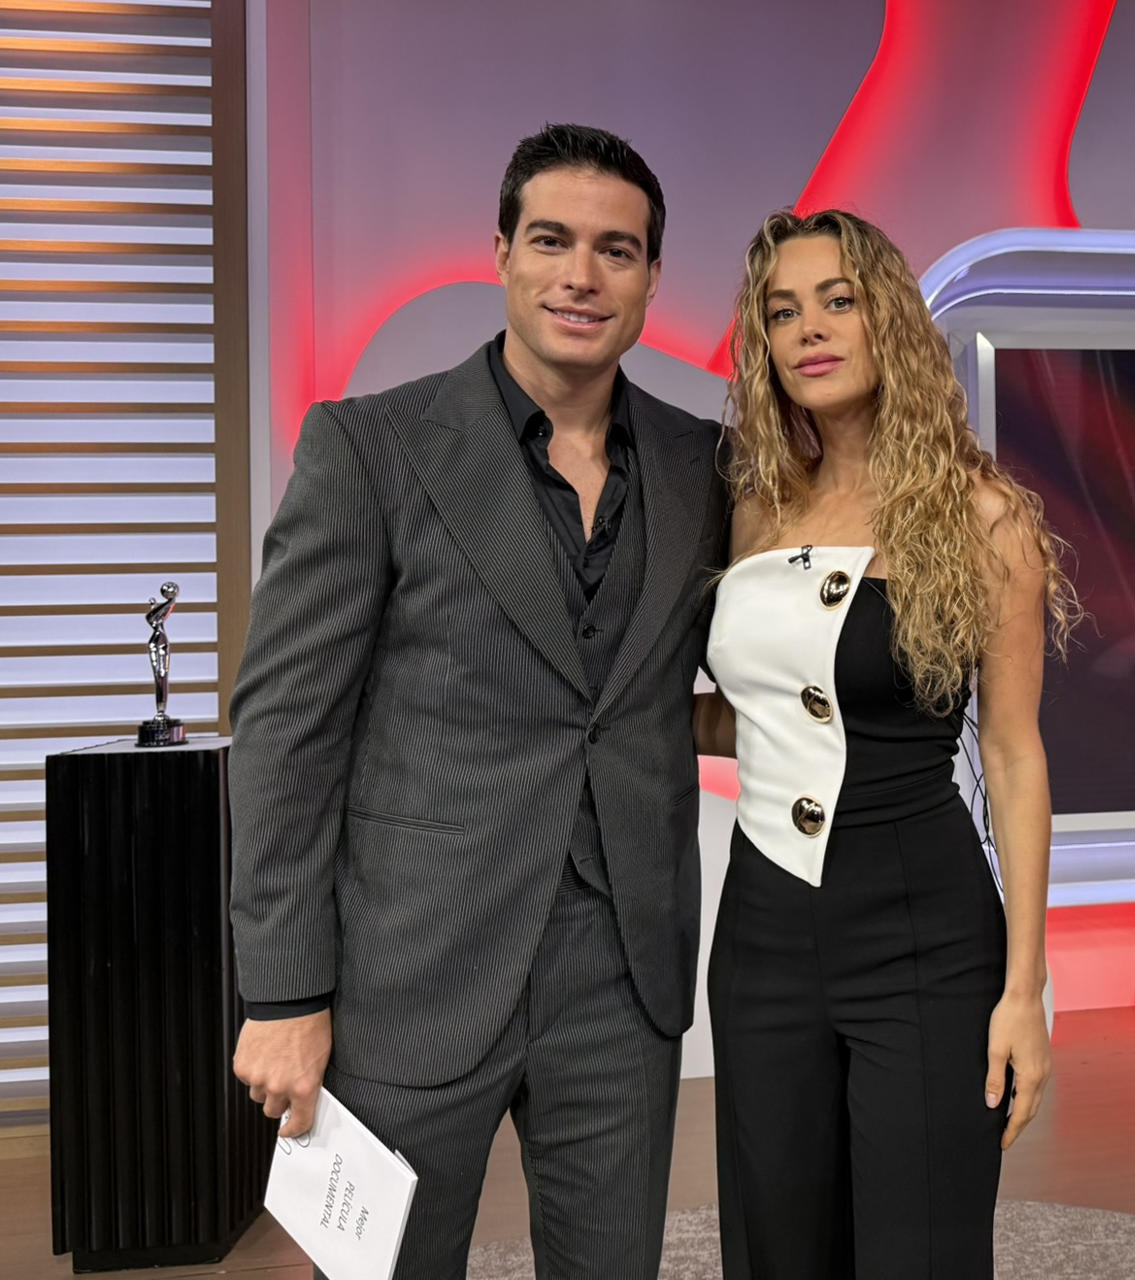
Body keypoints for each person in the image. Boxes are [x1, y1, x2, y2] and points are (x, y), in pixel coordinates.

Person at [227, 123, 727, 1278]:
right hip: (414, 968)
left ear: (652, 276)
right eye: (551, 240)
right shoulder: (372, 448)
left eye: (617, 249)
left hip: (623, 975)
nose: (580, 274)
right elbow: (289, 731)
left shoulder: (706, 466)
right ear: (500, 251)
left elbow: (707, 678)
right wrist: (284, 987)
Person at [693, 208, 1080, 1278]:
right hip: (764, 937)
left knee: (921, 1250)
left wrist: (1024, 990)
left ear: (889, 321)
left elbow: (1011, 754)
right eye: (782, 311)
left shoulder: (980, 512)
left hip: (927, 933)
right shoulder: (749, 505)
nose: (809, 328)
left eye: (838, 299)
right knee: (779, 1246)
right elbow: (770, 708)